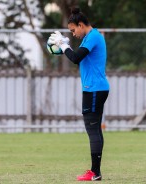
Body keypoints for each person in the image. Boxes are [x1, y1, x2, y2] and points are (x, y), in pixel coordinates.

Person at [48, 7, 109, 181]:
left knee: (92, 130)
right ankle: (95, 171)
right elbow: (76, 55)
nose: (73, 33)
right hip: (95, 88)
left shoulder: (93, 37)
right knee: (95, 129)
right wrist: (65, 46)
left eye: (74, 30)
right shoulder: (90, 37)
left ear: (81, 25)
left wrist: (64, 45)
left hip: (95, 89)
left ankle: (95, 172)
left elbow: (75, 58)